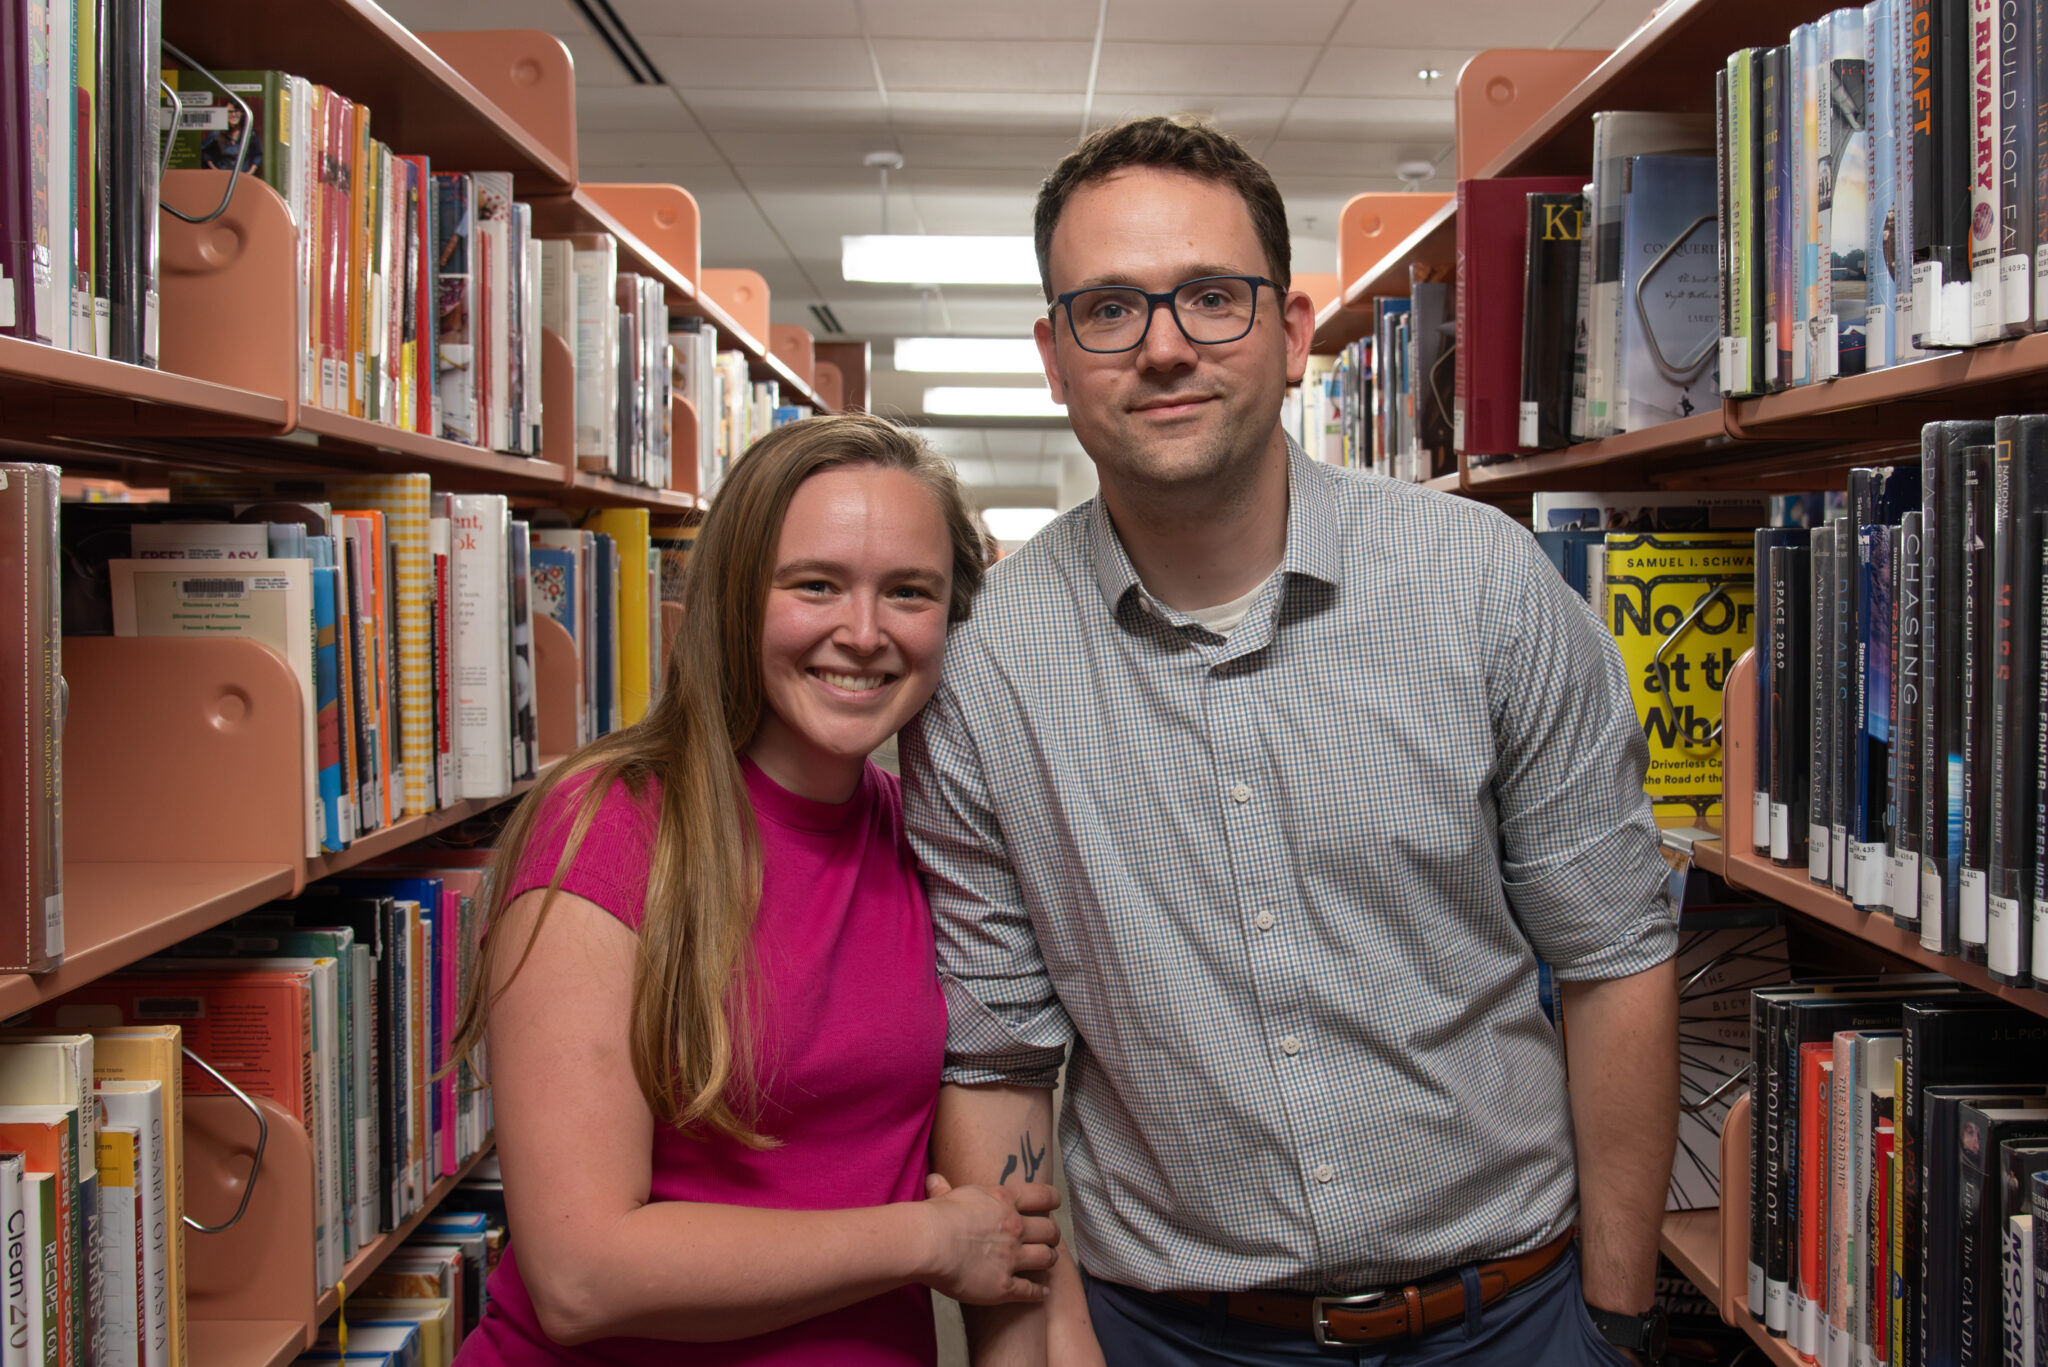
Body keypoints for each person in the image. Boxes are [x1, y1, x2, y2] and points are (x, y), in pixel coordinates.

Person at [902, 117, 1680, 1366]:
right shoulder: (983, 664)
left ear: (1292, 327)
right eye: (1108, 309)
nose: (1163, 347)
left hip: (1512, 1319)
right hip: (1169, 1336)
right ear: (1052, 356)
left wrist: (1616, 1317)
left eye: (1211, 297)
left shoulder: (1481, 582)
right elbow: (993, 1057)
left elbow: (1614, 952)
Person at [451, 414, 1062, 1366]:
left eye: (909, 592)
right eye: (816, 585)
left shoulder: (928, 839)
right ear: (739, 596)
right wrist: (933, 1239)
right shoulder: (611, 826)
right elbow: (581, 1271)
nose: (863, 635)